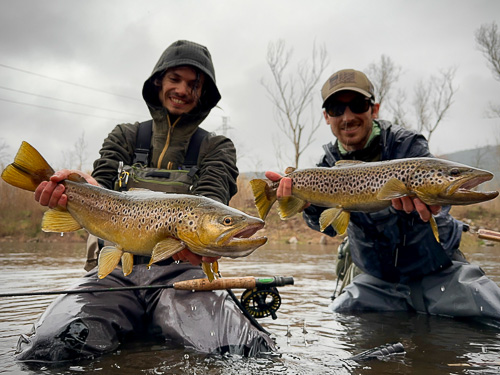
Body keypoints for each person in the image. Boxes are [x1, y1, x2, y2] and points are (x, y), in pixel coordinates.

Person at [15, 40, 275, 363]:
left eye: (194, 84)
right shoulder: (124, 137)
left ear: (203, 92)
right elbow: (101, 185)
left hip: (183, 274)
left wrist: (221, 230)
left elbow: (212, 199)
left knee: (245, 352)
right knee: (49, 351)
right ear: (158, 81)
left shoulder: (216, 147)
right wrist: (75, 189)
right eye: (175, 79)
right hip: (111, 274)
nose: (183, 89)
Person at [266, 68, 500, 318]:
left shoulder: (407, 145)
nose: (347, 117)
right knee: (339, 318)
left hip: (437, 267)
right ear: (326, 116)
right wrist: (308, 205)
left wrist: (431, 206)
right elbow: (331, 227)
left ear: (373, 109)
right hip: (377, 280)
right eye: (337, 109)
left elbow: (440, 197)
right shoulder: (325, 164)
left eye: (357, 105)